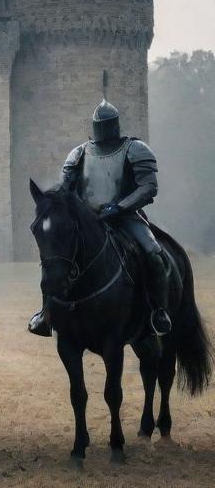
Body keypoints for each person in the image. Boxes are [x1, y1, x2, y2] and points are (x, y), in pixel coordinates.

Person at [28, 96, 170, 337]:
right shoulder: (79, 153)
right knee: (56, 257)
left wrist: (121, 207)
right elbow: (66, 189)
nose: (103, 130)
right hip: (86, 220)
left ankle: (158, 310)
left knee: (154, 253)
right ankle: (47, 312)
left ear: (115, 125)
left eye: (107, 125)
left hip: (126, 217)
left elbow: (148, 187)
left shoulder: (135, 149)